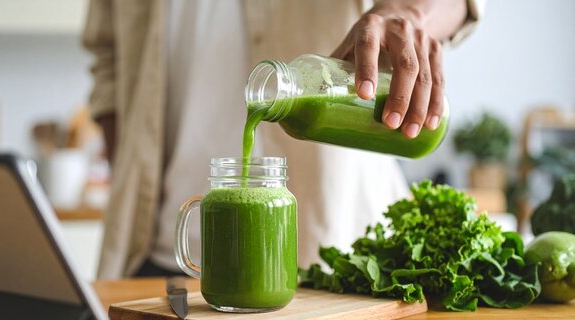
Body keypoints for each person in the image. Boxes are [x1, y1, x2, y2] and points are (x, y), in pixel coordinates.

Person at [83, 0, 485, 278]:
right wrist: (126, 171)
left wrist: (407, 11)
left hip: (329, 252)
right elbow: (108, 60)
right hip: (156, 253)